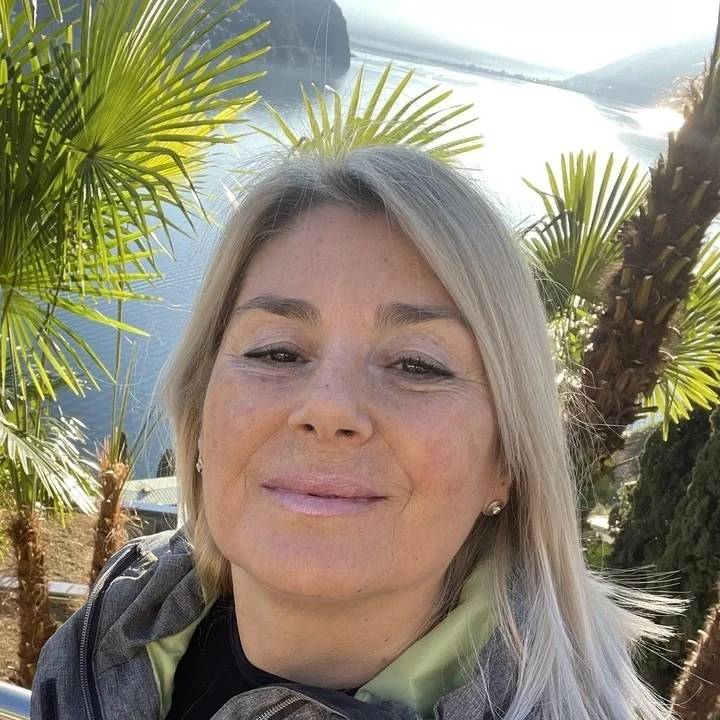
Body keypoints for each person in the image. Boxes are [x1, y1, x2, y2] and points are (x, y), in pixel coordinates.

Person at [31, 145, 673, 720]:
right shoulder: (113, 624)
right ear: (201, 411)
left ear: (505, 459)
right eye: (277, 351)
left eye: (417, 364)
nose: (328, 407)